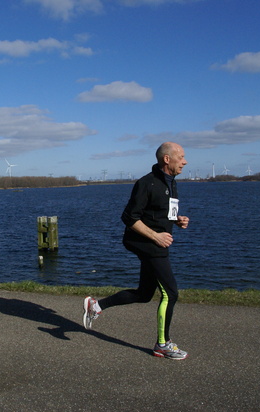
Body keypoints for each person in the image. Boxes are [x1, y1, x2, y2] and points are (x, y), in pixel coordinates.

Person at [83, 142, 189, 359]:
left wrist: (177, 220)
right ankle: (162, 344)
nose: (185, 161)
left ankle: (96, 306)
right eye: (181, 157)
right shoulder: (146, 183)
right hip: (146, 243)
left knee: (144, 294)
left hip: (156, 242)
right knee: (170, 293)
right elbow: (129, 218)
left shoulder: (172, 183)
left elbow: (163, 212)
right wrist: (156, 236)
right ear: (166, 159)